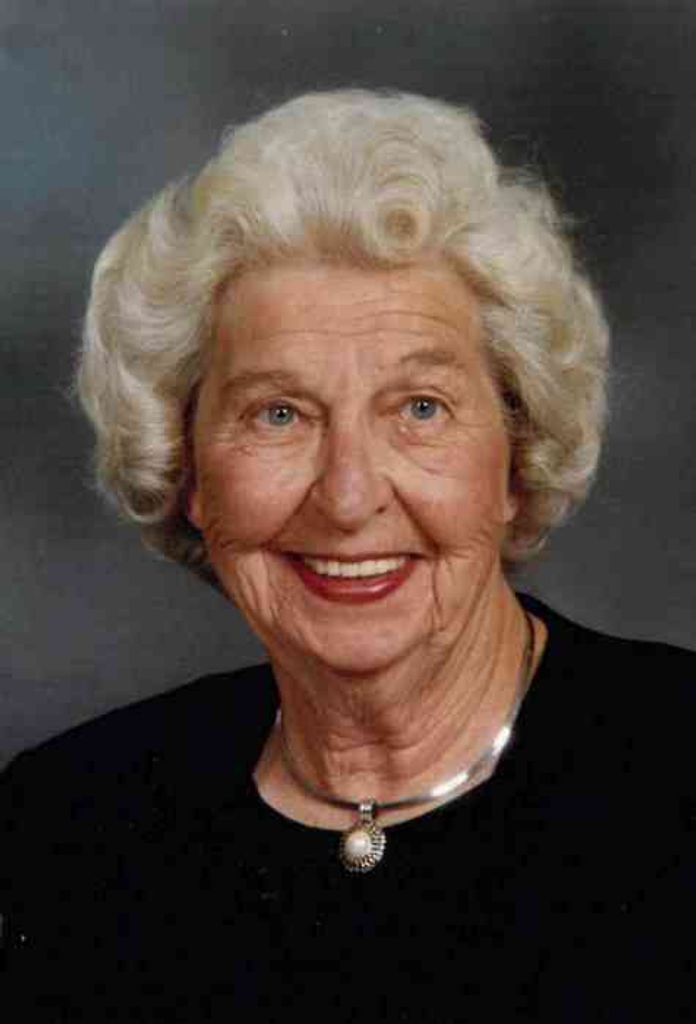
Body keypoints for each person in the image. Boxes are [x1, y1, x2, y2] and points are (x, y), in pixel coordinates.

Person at [1, 89, 693, 1022]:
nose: (349, 495)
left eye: (420, 409)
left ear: (515, 459)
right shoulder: (64, 827)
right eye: (278, 414)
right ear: (189, 471)